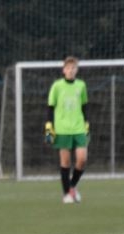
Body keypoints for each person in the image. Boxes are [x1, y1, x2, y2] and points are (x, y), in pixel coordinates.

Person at [45, 56, 89, 204]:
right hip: (62, 129)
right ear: (64, 70)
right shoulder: (57, 86)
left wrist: (87, 123)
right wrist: (49, 126)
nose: (71, 70)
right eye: (68, 68)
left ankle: (72, 186)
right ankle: (67, 194)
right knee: (65, 162)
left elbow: (84, 106)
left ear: (77, 70)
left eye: (73, 68)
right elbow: (50, 107)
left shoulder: (81, 85)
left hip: (79, 127)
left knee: (82, 159)